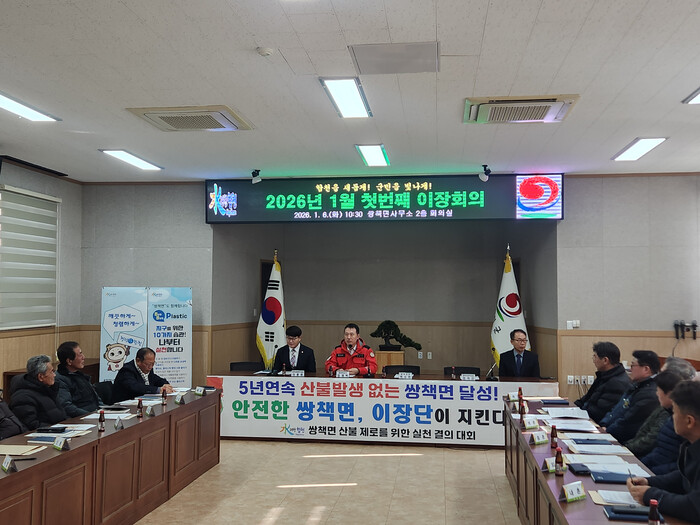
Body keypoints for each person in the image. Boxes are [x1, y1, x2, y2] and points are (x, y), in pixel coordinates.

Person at [627, 380, 700, 523]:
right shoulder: (692, 445)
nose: (672, 417)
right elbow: (684, 477)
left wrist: (650, 495)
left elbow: (694, 507)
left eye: (674, 412)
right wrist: (649, 482)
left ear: (689, 421)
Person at [600, 350, 660, 443]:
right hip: (611, 432)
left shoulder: (650, 394)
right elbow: (616, 409)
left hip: (624, 440)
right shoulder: (636, 385)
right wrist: (603, 424)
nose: (630, 370)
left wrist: (607, 431)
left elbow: (628, 421)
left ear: (646, 369)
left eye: (632, 366)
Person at [625, 370, 682, 457]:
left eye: (658, 390)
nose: (657, 394)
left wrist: (627, 447)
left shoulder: (668, 415)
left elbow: (650, 441)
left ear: (669, 394)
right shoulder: (663, 408)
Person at [574, 341, 631, 423]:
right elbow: (585, 400)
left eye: (595, 357)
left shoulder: (617, 383)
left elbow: (600, 413)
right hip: (587, 418)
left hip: (596, 424)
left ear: (605, 360)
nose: (593, 360)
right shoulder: (603, 376)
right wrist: (571, 409)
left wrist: (578, 414)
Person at [9, 355, 67, 430]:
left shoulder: (47, 390)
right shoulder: (22, 398)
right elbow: (32, 425)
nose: (54, 375)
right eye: (51, 372)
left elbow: (61, 416)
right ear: (40, 377)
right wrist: (57, 429)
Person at [55, 341, 102, 416]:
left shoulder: (80, 375)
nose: (84, 357)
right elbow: (67, 406)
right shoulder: (60, 379)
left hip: (95, 414)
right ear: (69, 361)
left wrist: (105, 411)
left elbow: (96, 399)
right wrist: (90, 415)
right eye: (80, 355)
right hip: (81, 418)